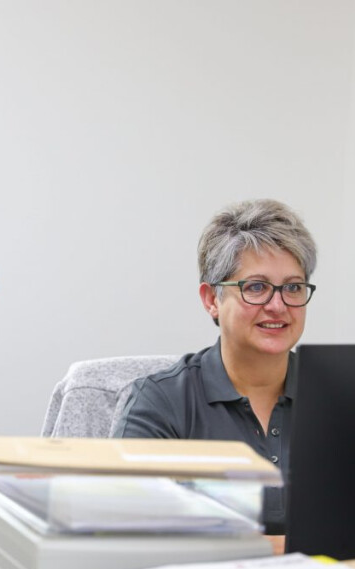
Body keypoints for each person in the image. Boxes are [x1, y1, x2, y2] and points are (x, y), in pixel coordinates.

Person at [112, 198, 317, 541]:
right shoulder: (160, 402)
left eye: (293, 287)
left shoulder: (337, 400)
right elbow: (132, 531)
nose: (278, 305)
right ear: (211, 300)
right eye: (256, 287)